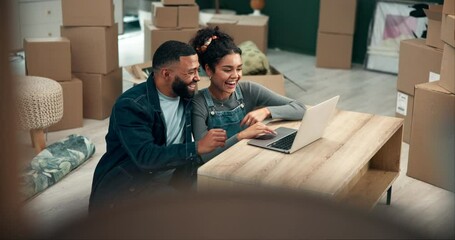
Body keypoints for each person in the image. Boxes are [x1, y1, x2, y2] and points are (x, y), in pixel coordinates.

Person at [89, 40, 227, 212]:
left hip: (172, 176)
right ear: (166, 74)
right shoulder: (131, 105)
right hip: (130, 185)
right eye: (190, 72)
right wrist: (196, 147)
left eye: (196, 70)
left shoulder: (185, 93)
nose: (197, 77)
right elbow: (146, 157)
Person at [190, 27, 307, 162]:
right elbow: (205, 155)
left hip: (246, 160)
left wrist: (267, 111)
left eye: (239, 69)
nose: (235, 76)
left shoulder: (248, 90)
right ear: (209, 70)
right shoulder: (198, 103)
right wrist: (241, 136)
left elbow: (301, 108)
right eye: (227, 70)